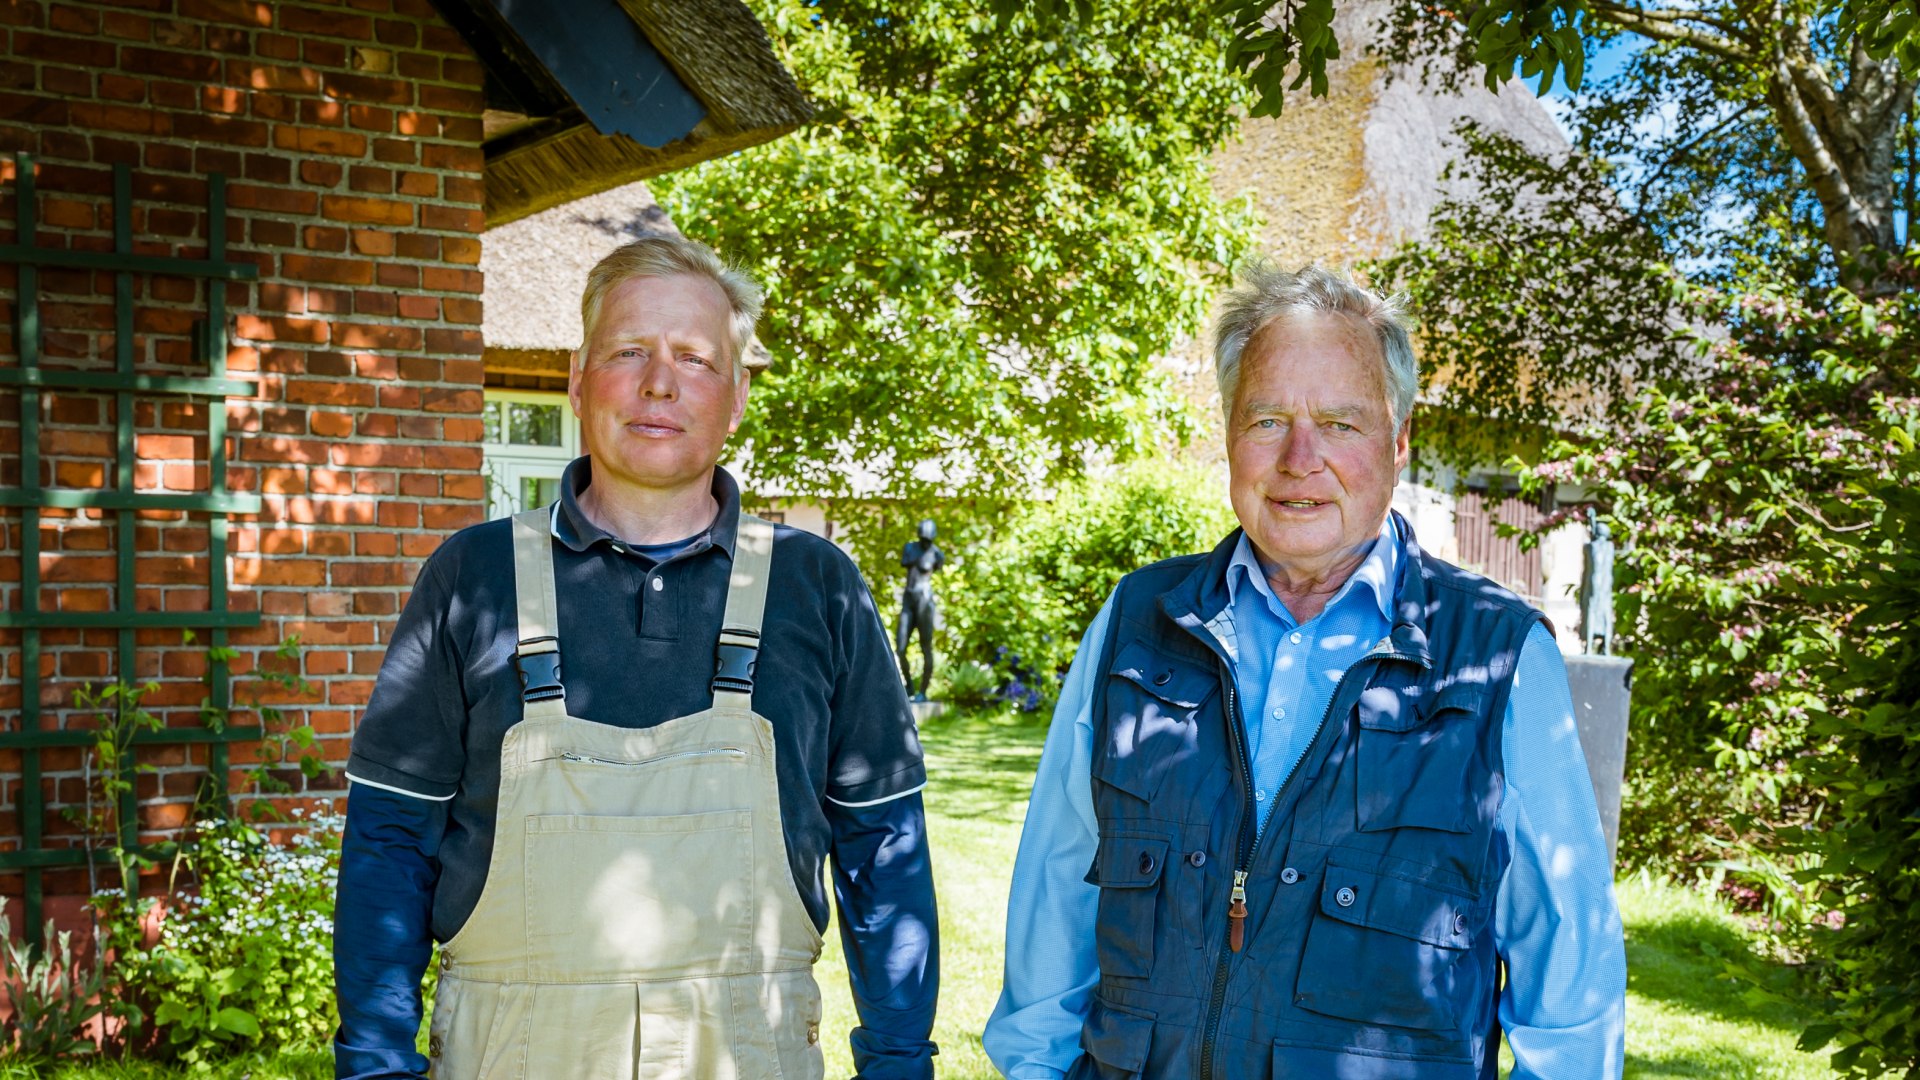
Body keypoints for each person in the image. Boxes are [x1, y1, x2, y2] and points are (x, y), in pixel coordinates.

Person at [983, 263, 1625, 1078]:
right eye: (1268, 420)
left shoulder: (1496, 653)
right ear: (1229, 435)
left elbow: (1568, 981)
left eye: (1339, 423)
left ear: (1398, 444)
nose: (1300, 458)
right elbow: (1058, 886)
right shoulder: (1137, 621)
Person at [332, 235, 939, 1080]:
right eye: (629, 352)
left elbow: (884, 848)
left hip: (749, 1054)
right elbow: (390, 839)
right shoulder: (473, 577)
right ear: (578, 378)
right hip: (509, 1055)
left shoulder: (817, 586)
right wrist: (373, 1062)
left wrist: (900, 1063)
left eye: (695, 358)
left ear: (738, 396)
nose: (660, 383)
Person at [896, 519, 945, 701]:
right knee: (901, 647)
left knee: (926, 646)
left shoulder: (936, 553)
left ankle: (923, 692)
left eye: (928, 540)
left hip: (925, 600)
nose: (926, 543)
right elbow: (905, 562)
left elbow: (937, 566)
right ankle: (909, 687)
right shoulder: (910, 548)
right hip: (908, 599)